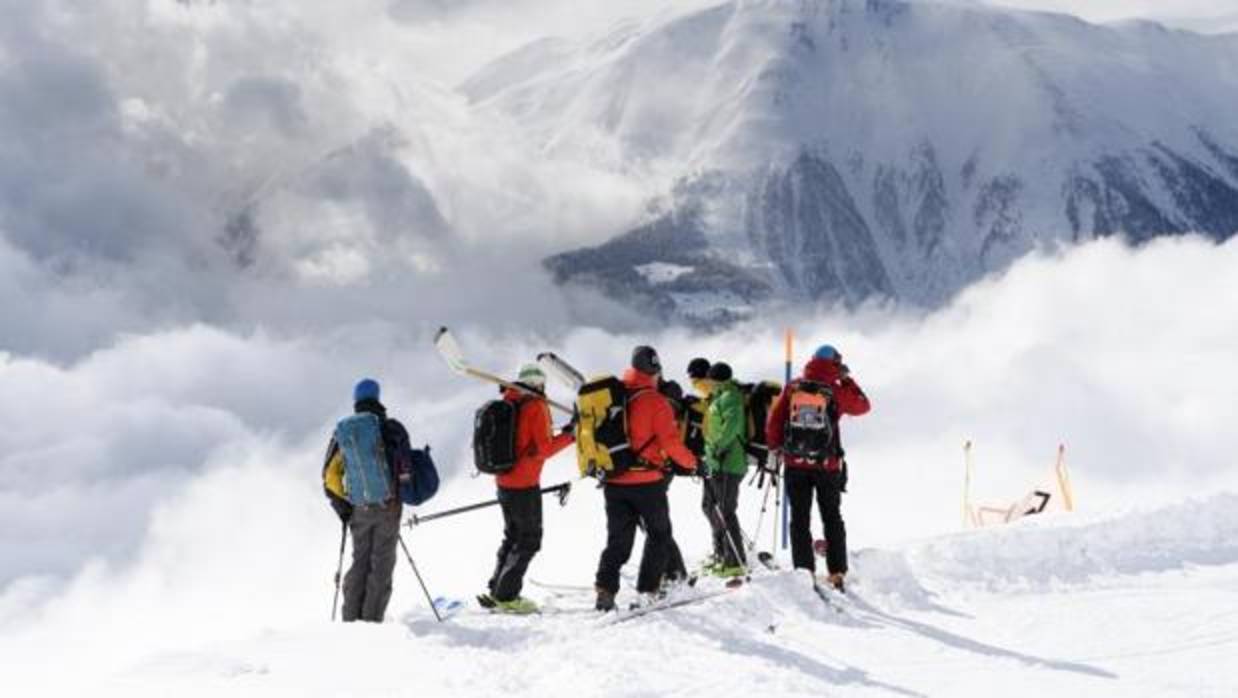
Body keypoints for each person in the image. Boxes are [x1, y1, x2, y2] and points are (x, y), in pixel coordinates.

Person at [594, 346, 698, 611]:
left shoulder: (613, 396)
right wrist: (694, 463)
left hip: (614, 480)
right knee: (659, 535)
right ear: (654, 370)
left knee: (617, 540)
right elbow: (672, 444)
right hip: (647, 482)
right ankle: (647, 591)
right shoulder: (655, 401)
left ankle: (605, 588)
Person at [766, 345, 870, 591]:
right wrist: (847, 380)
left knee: (799, 519)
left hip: (795, 463)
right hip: (827, 465)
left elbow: (775, 420)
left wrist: (777, 448)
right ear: (835, 363)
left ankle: (804, 571)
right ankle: (836, 572)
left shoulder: (794, 386)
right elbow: (863, 406)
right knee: (832, 517)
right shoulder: (835, 389)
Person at [481, 364, 575, 614]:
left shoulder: (511, 402)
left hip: (504, 481)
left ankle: (497, 588)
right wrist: (571, 435)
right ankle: (507, 595)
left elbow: (528, 439)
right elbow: (544, 449)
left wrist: (564, 431)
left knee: (512, 537)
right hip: (524, 484)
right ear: (539, 384)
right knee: (529, 540)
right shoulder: (535, 405)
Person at [322, 378, 410, 622]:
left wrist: (345, 508)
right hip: (388, 505)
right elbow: (405, 470)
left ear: (356, 401)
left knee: (359, 560)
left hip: (359, 507)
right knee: (381, 563)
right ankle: (371, 623)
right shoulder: (390, 428)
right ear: (378, 398)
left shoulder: (344, 432)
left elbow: (329, 476)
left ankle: (350, 621)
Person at [700, 361, 748, 577]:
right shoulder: (721, 396)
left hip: (730, 462)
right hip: (718, 462)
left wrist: (718, 447)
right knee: (711, 507)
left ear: (715, 379)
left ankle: (735, 561)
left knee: (726, 511)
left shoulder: (731, 398)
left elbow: (732, 426)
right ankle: (721, 556)